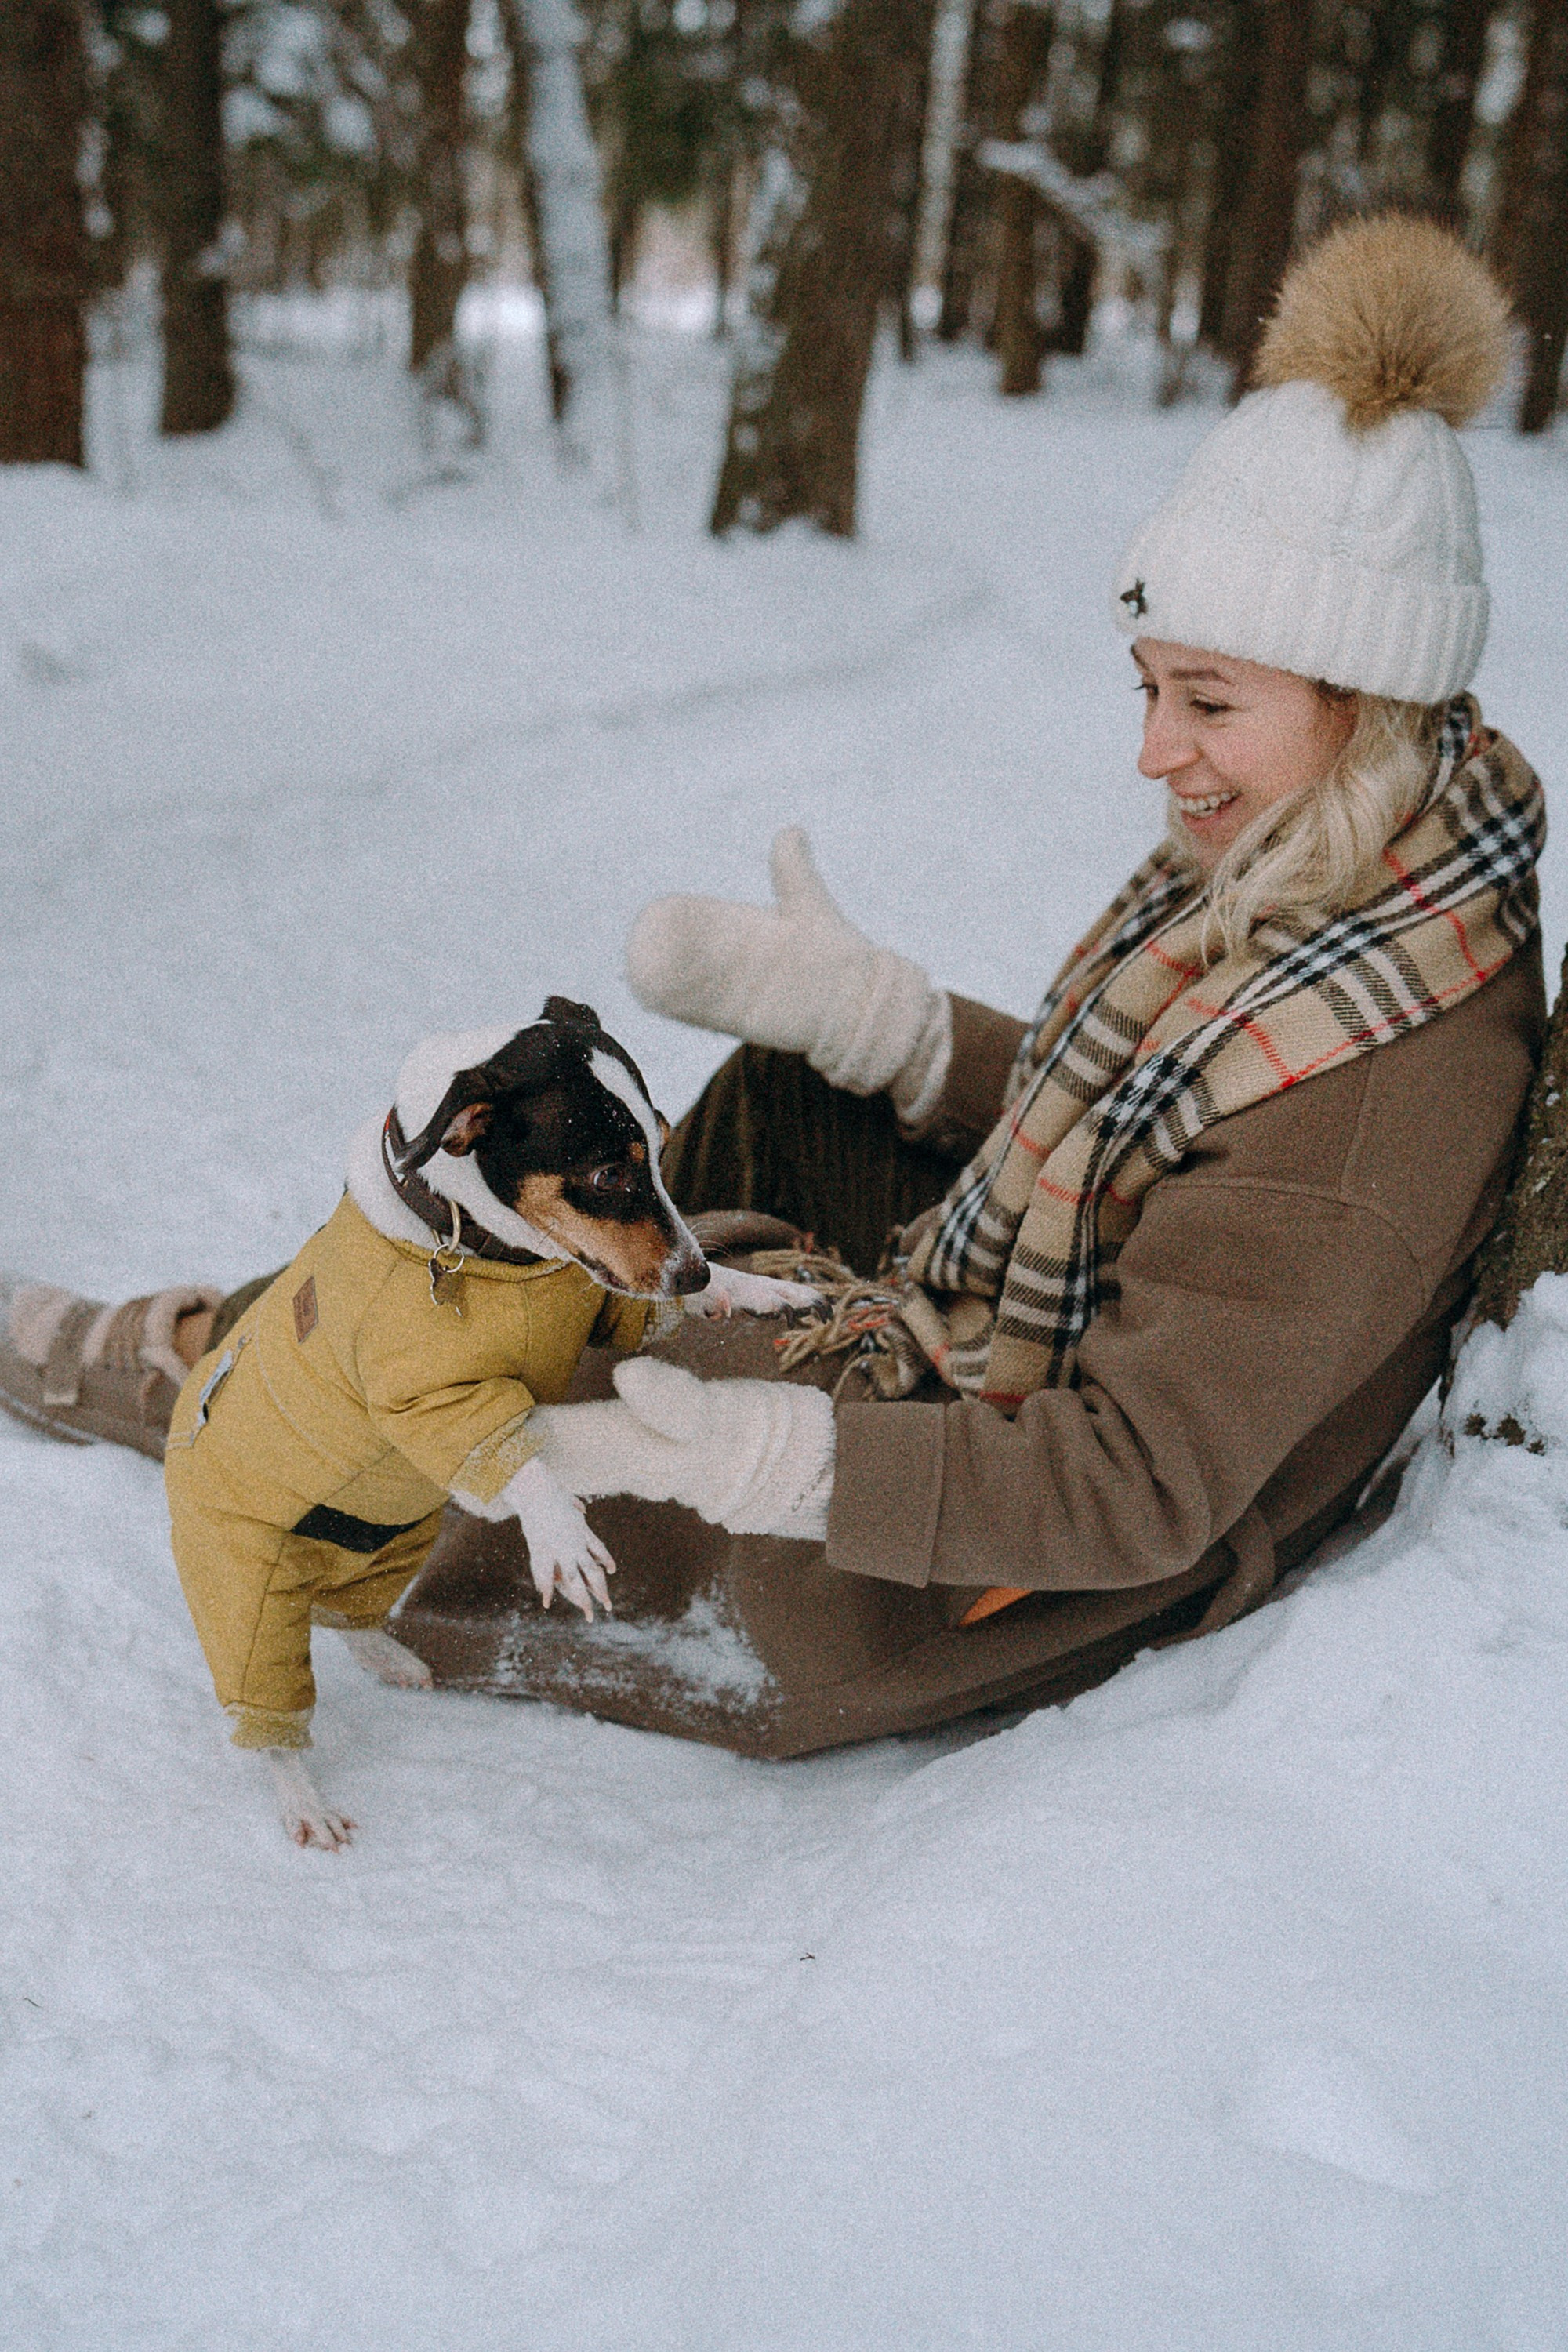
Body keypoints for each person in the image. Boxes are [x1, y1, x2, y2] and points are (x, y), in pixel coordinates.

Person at [2, 218, 1548, 1758]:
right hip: (1024, 1339)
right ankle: (350, 1332)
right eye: (1148, 690)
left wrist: (780, 1461)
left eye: (1207, 702)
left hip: (1022, 1553)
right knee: (766, 1113)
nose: (1154, 752)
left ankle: (257, 1400)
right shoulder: (1359, 871)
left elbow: (1142, 1481)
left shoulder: (1373, 1086)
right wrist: (891, 1029)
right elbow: (1157, 1152)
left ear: (1372, 699)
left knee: (661, 1370)